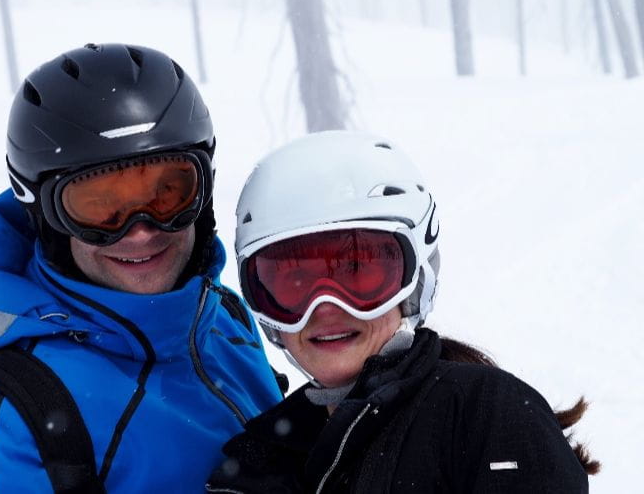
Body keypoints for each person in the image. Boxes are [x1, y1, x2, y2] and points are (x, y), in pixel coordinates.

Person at [0, 43, 283, 493]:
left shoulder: (221, 319)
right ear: (45, 217)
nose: (139, 231)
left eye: (168, 194)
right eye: (99, 206)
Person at [206, 131, 599, 493]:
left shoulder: (484, 416)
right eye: (292, 281)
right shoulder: (257, 462)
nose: (324, 308)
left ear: (415, 276)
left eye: (358, 272)